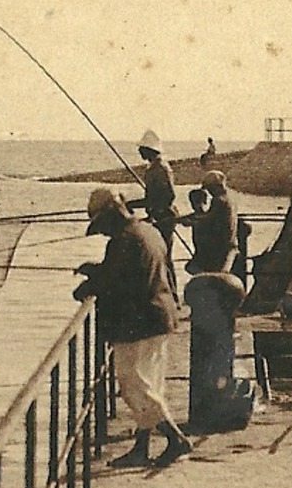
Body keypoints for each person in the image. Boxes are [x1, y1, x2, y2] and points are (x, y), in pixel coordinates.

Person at [73, 188, 191, 468]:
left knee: (133, 386)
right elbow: (127, 271)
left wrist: (88, 285)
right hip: (161, 316)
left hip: (141, 324)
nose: (103, 232)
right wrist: (97, 269)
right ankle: (141, 447)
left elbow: (114, 283)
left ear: (111, 216)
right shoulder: (148, 231)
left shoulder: (123, 241)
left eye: (102, 226)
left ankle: (176, 439)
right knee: (149, 385)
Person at [128, 129, 178, 294]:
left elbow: (169, 195)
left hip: (163, 218)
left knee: (164, 258)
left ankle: (173, 295)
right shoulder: (153, 168)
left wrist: (155, 212)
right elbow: (151, 197)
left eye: (141, 149)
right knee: (160, 257)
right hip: (158, 217)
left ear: (149, 150)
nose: (139, 151)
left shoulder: (161, 168)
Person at [182, 170, 238, 275]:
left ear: (216, 186)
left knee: (193, 267)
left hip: (221, 246)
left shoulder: (219, 201)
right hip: (229, 242)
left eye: (210, 188)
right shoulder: (229, 198)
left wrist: (192, 223)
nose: (210, 192)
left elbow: (209, 221)